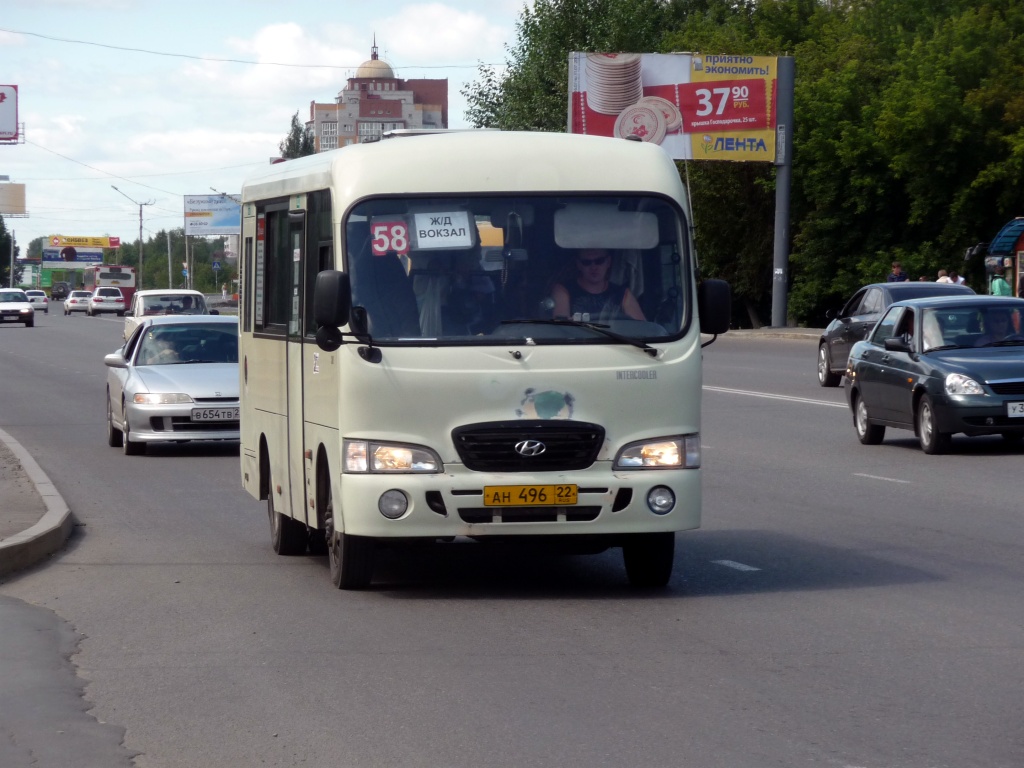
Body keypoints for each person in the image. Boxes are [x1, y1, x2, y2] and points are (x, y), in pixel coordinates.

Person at [552, 248, 645, 322]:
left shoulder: (623, 294)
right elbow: (561, 327)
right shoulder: (563, 290)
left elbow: (642, 329)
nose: (593, 267)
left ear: (608, 262)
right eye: (587, 262)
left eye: (599, 261)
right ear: (579, 265)